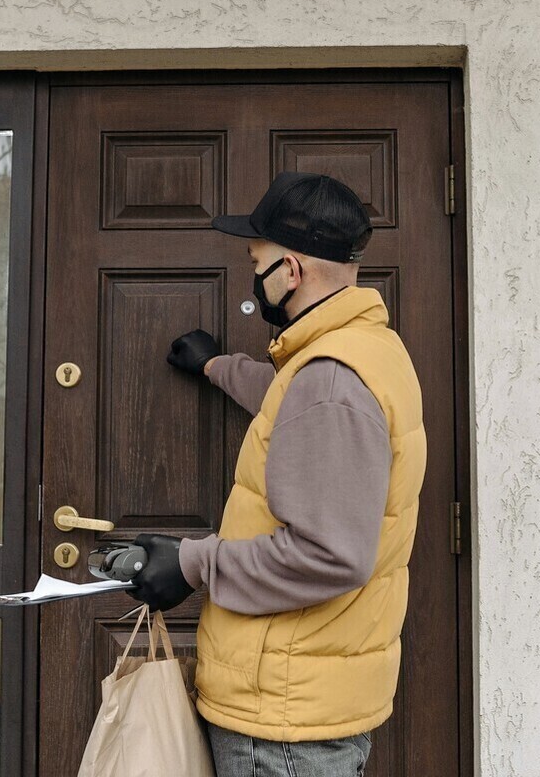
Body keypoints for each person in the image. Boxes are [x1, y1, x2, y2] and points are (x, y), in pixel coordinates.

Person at [128, 172, 426, 776]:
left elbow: (328, 555)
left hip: (283, 725)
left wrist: (191, 563)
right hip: (305, 700)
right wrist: (216, 365)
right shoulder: (365, 350)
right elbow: (296, 404)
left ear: (289, 271)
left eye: (255, 262)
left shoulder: (332, 379)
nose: (253, 275)